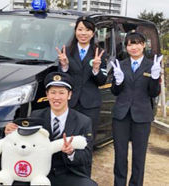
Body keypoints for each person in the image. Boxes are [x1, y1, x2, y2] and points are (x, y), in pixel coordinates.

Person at [5, 72, 97, 186]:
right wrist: (11, 134)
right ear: (47, 95)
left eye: (61, 93)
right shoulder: (35, 116)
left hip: (67, 173)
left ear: (69, 95)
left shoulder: (83, 121)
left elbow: (86, 156)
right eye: (53, 92)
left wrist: (71, 152)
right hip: (37, 172)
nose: (56, 97)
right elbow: (22, 143)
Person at [110, 31, 161, 186]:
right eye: (130, 44)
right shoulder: (121, 65)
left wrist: (154, 78)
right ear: (126, 47)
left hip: (142, 116)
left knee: (139, 157)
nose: (134, 47)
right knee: (120, 155)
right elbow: (115, 91)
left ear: (144, 45)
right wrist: (117, 82)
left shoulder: (152, 65)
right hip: (121, 115)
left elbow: (153, 93)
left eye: (137, 43)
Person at [56, 16, 107, 143]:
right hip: (70, 102)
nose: (83, 33)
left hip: (90, 104)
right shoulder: (66, 51)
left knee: (87, 140)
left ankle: (85, 163)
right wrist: (64, 66)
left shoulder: (99, 52)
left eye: (87, 30)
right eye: (80, 29)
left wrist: (96, 69)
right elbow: (60, 79)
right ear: (75, 31)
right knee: (66, 138)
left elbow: (102, 81)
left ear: (93, 33)